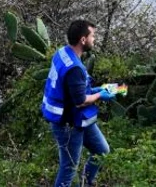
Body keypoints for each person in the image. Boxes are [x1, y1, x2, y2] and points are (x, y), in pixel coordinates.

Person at [41, 20, 115, 187]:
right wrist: (100, 95)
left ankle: (87, 182)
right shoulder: (75, 68)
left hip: (78, 120)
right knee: (69, 168)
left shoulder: (62, 53)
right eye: (92, 36)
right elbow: (80, 101)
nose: (94, 39)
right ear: (83, 40)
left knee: (102, 151)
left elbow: (74, 90)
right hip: (68, 124)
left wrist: (98, 89)